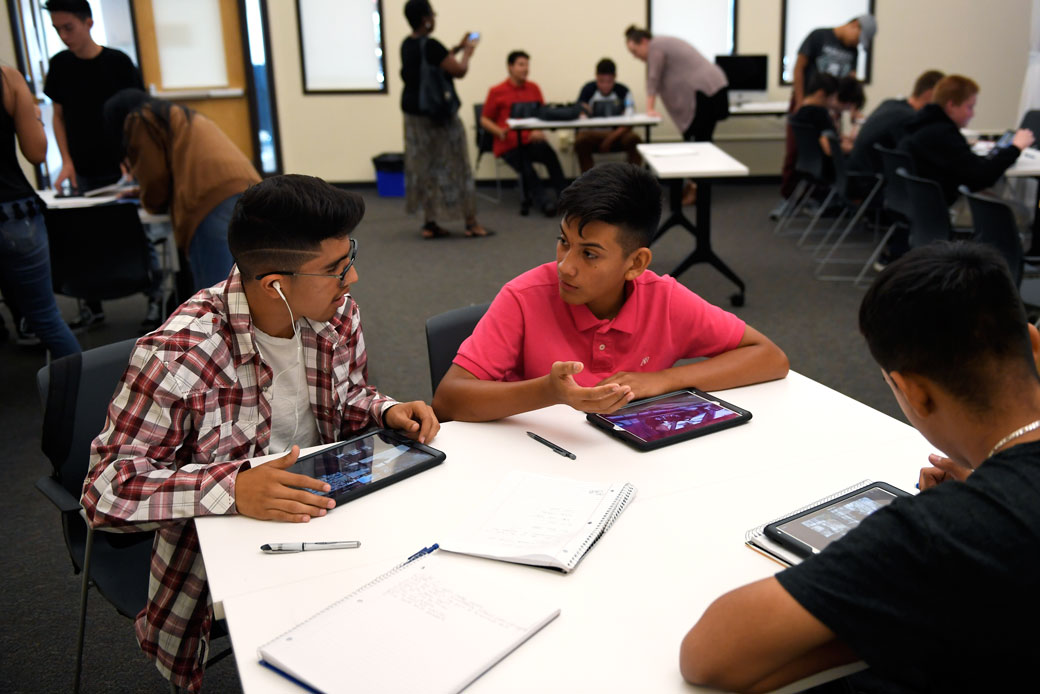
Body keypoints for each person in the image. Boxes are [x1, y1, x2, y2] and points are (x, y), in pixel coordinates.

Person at [81, 174, 440, 692]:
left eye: (350, 257)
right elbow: (103, 490)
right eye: (336, 269)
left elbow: (348, 397)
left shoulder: (336, 316)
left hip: (329, 505)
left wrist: (384, 411)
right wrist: (234, 488)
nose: (353, 279)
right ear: (275, 284)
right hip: (230, 541)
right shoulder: (180, 354)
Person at [679, 241, 1040, 693]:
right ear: (1034, 343)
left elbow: (710, 654)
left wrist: (894, 620)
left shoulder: (941, 532)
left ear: (914, 393)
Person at [432, 163, 789, 423]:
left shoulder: (664, 299)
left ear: (636, 263)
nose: (565, 266)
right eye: (563, 242)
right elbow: (448, 399)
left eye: (589, 254)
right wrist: (549, 392)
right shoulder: (525, 297)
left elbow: (770, 358)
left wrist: (662, 380)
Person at [42, 0, 145, 329]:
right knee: (86, 234)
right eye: (57, 30)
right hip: (82, 164)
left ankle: (155, 298)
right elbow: (57, 117)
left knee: (136, 228)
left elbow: (135, 116)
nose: (63, 36)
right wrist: (66, 162)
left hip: (121, 164)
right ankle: (93, 306)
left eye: (68, 27)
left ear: (88, 22)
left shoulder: (117, 63)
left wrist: (131, 160)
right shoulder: (59, 65)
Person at [103, 88, 262, 291]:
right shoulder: (179, 114)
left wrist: (149, 201)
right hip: (250, 191)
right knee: (245, 287)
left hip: (210, 198)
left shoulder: (139, 118)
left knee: (214, 295)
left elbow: (154, 176)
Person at [0, 65, 80, 358]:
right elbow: (36, 152)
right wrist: (35, 120)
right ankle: (86, 401)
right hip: (15, 214)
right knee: (46, 318)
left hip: (15, 215)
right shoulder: (7, 78)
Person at [399, 0, 489, 239]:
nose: (434, 19)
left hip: (414, 116)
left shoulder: (407, 45)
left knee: (425, 167)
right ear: (425, 19)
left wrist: (458, 47)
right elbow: (458, 70)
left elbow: (435, 61)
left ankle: (430, 223)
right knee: (456, 165)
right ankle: (471, 222)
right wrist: (468, 53)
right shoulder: (432, 45)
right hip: (439, 117)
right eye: (432, 15)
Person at [776, 15, 876, 213]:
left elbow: (851, 83)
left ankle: (815, 198)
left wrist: (853, 111)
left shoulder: (852, 51)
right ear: (854, 26)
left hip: (831, 105)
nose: (857, 43)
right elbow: (799, 68)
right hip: (808, 100)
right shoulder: (819, 36)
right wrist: (800, 100)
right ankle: (788, 196)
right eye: (859, 38)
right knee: (796, 150)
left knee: (826, 145)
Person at [624, 25, 728, 204]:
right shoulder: (662, 43)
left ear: (644, 41)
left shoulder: (656, 46)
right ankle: (695, 187)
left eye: (634, 51)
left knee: (701, 143)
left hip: (708, 92)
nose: (635, 56)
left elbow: (654, 78)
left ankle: (698, 190)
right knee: (698, 141)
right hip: (711, 90)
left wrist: (649, 108)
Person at [902, 74, 1034, 206]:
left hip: (923, 204)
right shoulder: (943, 134)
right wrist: (1015, 148)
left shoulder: (923, 124)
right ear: (951, 105)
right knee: (1020, 212)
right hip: (942, 206)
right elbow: (982, 177)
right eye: (969, 107)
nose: (972, 114)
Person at [480, 50, 567, 216]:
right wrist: (499, 132)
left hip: (531, 140)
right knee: (526, 166)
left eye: (527, 65)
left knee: (550, 154)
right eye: (521, 65)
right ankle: (544, 202)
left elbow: (542, 114)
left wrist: (537, 130)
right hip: (509, 144)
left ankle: (566, 198)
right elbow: (484, 119)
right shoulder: (496, 91)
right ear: (510, 67)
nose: (525, 69)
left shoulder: (534, 88)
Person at [847, 69, 945, 175]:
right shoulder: (911, 118)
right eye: (941, 98)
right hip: (869, 181)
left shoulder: (890, 103)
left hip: (856, 174)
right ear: (929, 94)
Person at [574, 58, 641, 173]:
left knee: (635, 140)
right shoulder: (588, 90)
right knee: (580, 141)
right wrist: (583, 110)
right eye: (601, 81)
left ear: (615, 77)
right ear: (596, 77)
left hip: (617, 134)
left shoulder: (623, 91)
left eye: (609, 81)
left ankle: (630, 180)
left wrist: (610, 138)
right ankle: (589, 183)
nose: (605, 85)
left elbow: (630, 121)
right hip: (592, 134)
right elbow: (579, 112)